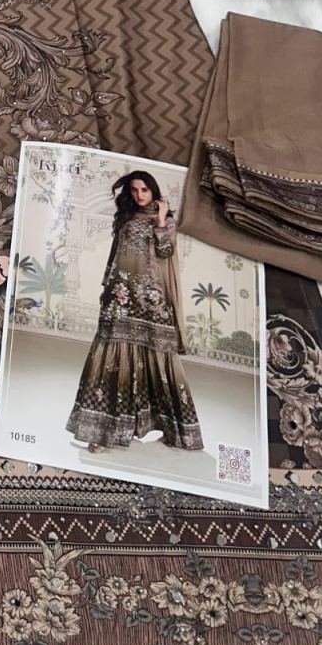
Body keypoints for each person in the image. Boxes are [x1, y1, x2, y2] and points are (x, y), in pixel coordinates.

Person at [66, 170, 203, 453]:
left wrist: (161, 220)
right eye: (134, 190)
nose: (139, 195)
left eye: (144, 190)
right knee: (110, 359)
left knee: (160, 360)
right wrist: (107, 286)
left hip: (152, 300)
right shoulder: (126, 217)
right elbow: (114, 254)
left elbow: (166, 252)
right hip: (120, 296)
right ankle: (102, 433)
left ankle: (175, 430)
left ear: (153, 191)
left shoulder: (166, 221)